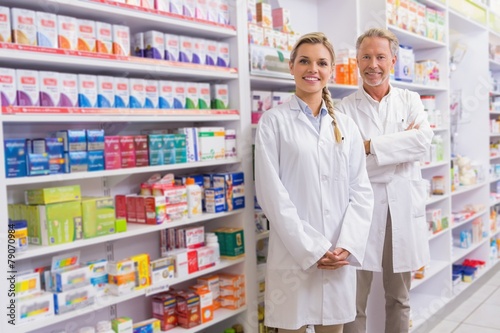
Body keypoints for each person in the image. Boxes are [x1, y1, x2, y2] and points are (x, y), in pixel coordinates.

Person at [254, 32, 374, 333]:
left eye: (322, 63)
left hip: (337, 254)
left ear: (331, 70)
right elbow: (272, 196)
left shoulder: (345, 125)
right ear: (292, 66)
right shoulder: (273, 121)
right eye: (304, 61)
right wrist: (312, 248)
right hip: (294, 253)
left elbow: (361, 190)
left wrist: (346, 244)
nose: (313, 69)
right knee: (290, 327)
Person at [335, 28, 434, 333]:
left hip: (402, 211)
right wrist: (398, 149)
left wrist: (369, 147)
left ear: (392, 60)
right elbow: (346, 165)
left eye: (380, 56)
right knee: (352, 301)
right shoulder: (343, 108)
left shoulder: (410, 100)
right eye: (366, 56)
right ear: (357, 60)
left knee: (400, 298)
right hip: (359, 213)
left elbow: (423, 143)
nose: (373, 64)